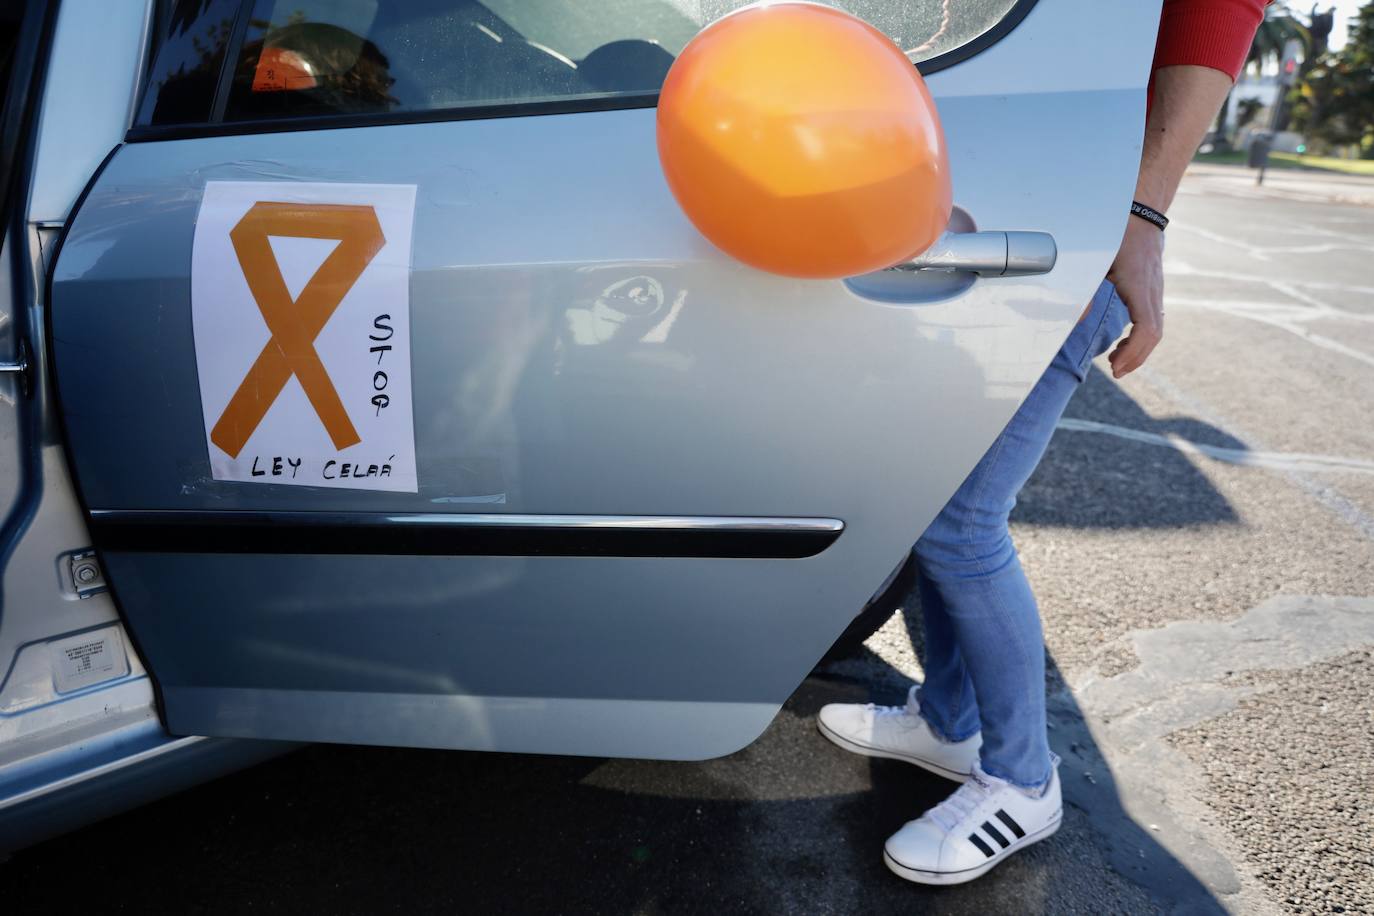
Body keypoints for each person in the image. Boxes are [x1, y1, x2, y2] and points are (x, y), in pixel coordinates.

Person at [817, 0, 1271, 886]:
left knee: (962, 518)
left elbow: (1222, 8)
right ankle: (951, 721)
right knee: (935, 501)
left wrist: (1143, 215)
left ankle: (1023, 780)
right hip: (993, 217)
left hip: (1072, 234)